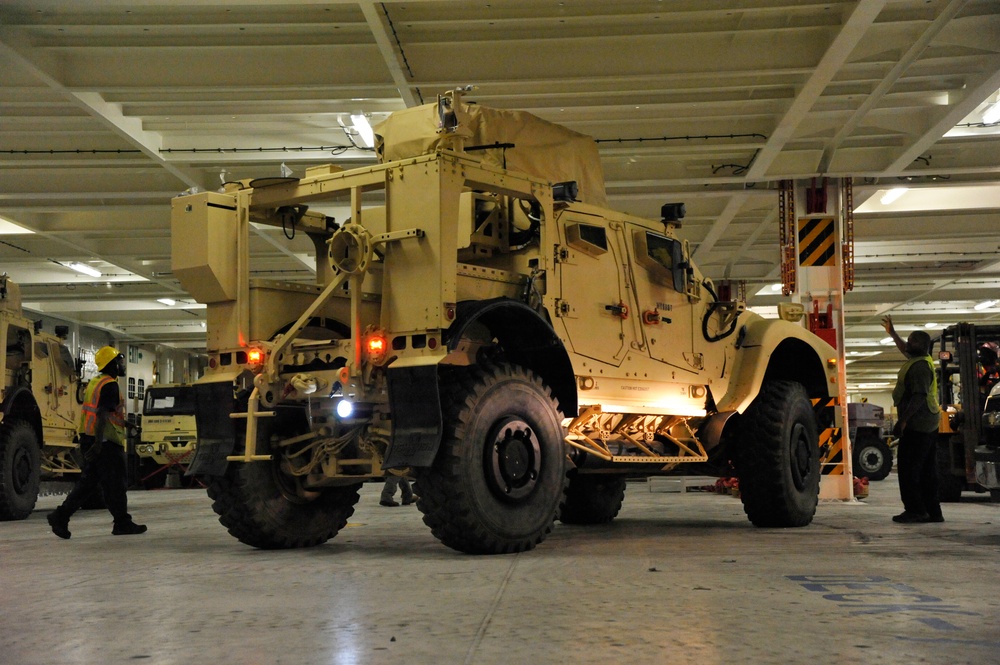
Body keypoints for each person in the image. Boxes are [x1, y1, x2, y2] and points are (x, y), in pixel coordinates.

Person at [47, 346, 147, 539]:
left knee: (90, 482)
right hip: (104, 442)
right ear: (112, 364)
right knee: (116, 483)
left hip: (92, 438)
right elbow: (101, 413)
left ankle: (61, 516)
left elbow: (106, 413)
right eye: (119, 361)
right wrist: (99, 444)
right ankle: (122, 523)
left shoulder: (96, 382)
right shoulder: (110, 385)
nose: (122, 365)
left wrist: (126, 424)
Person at [881, 315, 944, 523]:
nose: (907, 343)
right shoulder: (920, 360)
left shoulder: (919, 367)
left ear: (923, 345)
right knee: (927, 470)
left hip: (918, 425)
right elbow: (904, 349)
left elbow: (919, 397)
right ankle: (933, 512)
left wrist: (903, 421)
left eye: (912, 341)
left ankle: (916, 510)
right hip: (928, 424)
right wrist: (893, 333)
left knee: (909, 470)